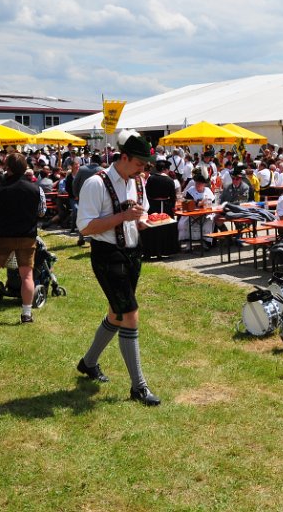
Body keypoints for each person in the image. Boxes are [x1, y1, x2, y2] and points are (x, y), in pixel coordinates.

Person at [74, 130, 161, 406]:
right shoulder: (95, 184)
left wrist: (144, 221)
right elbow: (86, 227)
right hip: (107, 254)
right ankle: (139, 386)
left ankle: (88, 363)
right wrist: (123, 216)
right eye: (138, 164)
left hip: (133, 253)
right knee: (130, 314)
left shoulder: (139, 182)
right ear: (123, 157)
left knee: (116, 313)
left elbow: (141, 214)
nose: (143, 169)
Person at [0, 152, 46, 324]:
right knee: (27, 276)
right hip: (27, 236)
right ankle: (26, 314)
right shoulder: (37, 189)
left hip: (3, 236)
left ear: (8, 168)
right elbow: (42, 212)